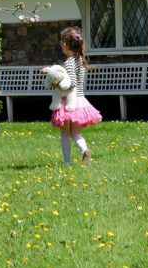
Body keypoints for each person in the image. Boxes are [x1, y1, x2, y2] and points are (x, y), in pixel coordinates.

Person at [40, 27, 102, 165]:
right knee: (76, 133)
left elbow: (70, 83)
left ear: (65, 44)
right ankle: (84, 149)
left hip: (67, 102)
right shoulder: (80, 60)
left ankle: (67, 162)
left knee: (65, 134)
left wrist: (55, 84)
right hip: (80, 101)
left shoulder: (69, 62)